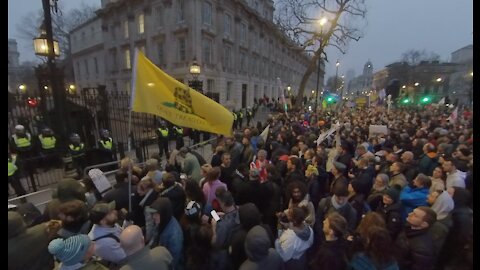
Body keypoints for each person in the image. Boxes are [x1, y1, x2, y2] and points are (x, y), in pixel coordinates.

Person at [146, 197, 184, 269]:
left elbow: (172, 262)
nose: (153, 217)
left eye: (156, 214)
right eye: (153, 213)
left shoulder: (174, 235)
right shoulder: (163, 221)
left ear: (163, 213)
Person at [88, 201, 126, 266]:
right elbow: (124, 260)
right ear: (102, 221)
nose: (115, 212)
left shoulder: (109, 224)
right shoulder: (105, 243)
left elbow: (120, 232)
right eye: (110, 213)